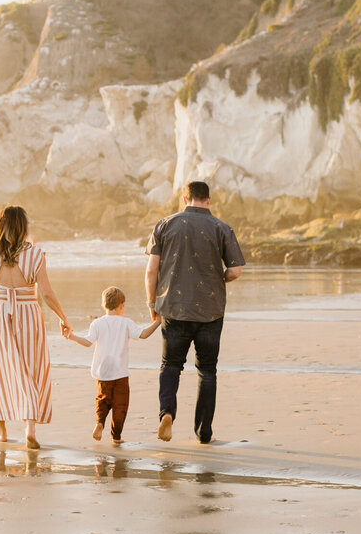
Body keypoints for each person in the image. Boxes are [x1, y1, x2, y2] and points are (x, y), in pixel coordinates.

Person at [145, 181, 245, 444]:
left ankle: (167, 413)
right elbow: (235, 271)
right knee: (207, 371)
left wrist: (152, 303)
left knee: (170, 365)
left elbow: (151, 270)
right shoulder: (222, 228)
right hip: (210, 311)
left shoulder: (164, 225)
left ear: (184, 198)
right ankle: (204, 432)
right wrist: (218, 279)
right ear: (208, 200)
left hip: (173, 308)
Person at [0, 206, 72, 449]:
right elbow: (46, 293)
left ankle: (2, 431)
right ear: (23, 227)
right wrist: (63, 317)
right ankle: (30, 428)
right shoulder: (35, 254)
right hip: (28, 312)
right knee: (32, 367)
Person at [64, 286, 160, 444]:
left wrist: (72, 336)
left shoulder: (97, 323)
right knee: (120, 404)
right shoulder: (126, 322)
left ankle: (100, 422)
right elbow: (143, 334)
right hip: (120, 372)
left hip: (102, 372)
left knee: (103, 399)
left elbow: (88, 342)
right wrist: (157, 322)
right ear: (122, 305)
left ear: (103, 305)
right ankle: (116, 437)